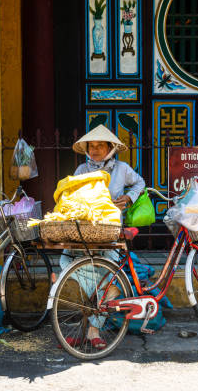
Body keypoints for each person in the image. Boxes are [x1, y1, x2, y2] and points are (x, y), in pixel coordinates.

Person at [60, 124, 145, 349]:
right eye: (92, 146)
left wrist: (128, 198)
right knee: (66, 262)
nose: (96, 150)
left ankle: (94, 329)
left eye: (100, 145)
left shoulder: (123, 169)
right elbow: (70, 196)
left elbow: (140, 183)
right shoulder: (81, 171)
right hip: (84, 231)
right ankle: (90, 319)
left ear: (110, 148)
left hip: (110, 231)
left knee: (108, 276)